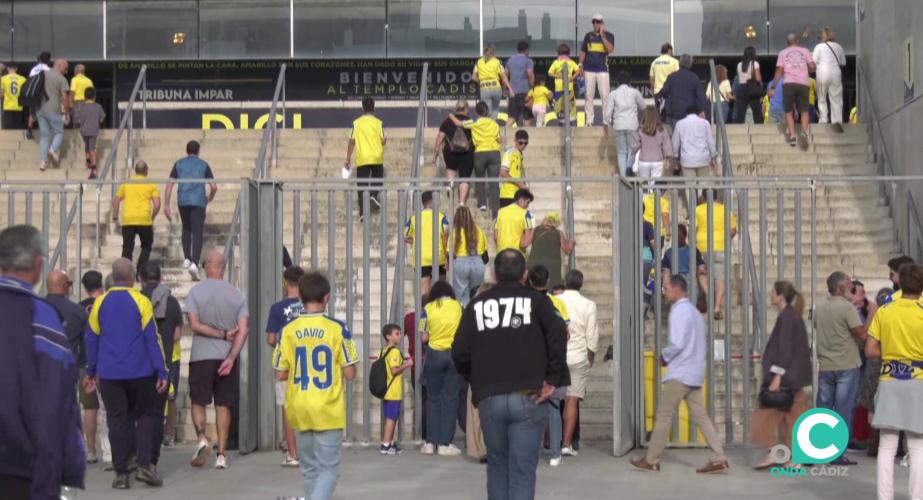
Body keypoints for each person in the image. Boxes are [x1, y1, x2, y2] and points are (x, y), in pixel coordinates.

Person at [452, 249, 569, 500]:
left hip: (490, 398)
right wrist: (553, 379)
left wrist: (476, 381)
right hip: (529, 395)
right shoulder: (538, 302)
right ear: (525, 274)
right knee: (522, 472)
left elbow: (459, 351)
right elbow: (558, 335)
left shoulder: (476, 305)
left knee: (497, 466)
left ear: (493, 274)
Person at [0, 225, 85, 498]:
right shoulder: (41, 318)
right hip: (21, 466)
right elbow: (56, 401)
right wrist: (67, 468)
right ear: (38, 265)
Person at [630, 275, 729, 474]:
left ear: (677, 289)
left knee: (664, 415)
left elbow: (676, 343)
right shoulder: (694, 312)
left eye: (666, 288)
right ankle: (719, 456)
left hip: (680, 372)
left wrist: (664, 357)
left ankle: (651, 459)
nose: (664, 291)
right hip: (694, 371)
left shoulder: (678, 311)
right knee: (701, 416)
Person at [85, 258, 168, 489]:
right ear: (133, 277)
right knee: (144, 416)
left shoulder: (99, 303)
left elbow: (91, 339)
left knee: (116, 421)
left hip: (110, 373)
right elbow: (152, 339)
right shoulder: (141, 301)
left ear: (112, 276)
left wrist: (91, 371)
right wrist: (161, 370)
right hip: (140, 371)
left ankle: (121, 474)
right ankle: (144, 466)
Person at [274, 271, 358, 500]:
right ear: (327, 297)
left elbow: (280, 374)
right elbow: (350, 373)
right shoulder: (338, 328)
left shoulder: (287, 331)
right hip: (327, 407)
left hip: (299, 406)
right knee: (328, 469)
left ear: (300, 297)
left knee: (309, 470)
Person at [185, 250, 249, 470]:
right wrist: (231, 356)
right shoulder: (236, 294)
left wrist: (219, 334)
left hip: (201, 356)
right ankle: (221, 454)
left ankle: (202, 437)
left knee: (198, 401)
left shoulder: (196, 292)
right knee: (224, 404)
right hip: (226, 357)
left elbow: (194, 325)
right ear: (222, 268)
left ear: (210, 265)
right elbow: (243, 329)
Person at [865, 264, 923, 500]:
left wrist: (892, 353)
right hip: (918, 380)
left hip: (889, 379)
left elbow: (870, 350)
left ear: (899, 282)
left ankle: (884, 497)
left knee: (887, 447)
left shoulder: (885, 310)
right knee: (917, 447)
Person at [750, 281, 813, 469]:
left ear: (780, 296)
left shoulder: (787, 317)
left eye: (773, 292)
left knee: (765, 418)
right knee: (793, 417)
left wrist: (777, 376)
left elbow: (785, 350)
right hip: (793, 377)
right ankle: (787, 455)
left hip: (787, 378)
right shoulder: (792, 316)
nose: (771, 295)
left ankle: (779, 453)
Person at [815, 271, 874, 466]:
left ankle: (819, 449)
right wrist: (872, 313)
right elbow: (862, 334)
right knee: (843, 410)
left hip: (825, 365)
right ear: (840, 288)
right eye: (850, 285)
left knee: (823, 409)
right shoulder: (846, 308)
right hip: (846, 366)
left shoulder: (819, 307)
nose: (853, 289)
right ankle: (836, 454)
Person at [138, 262, 184, 474]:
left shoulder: (136, 301)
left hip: (139, 364)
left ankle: (137, 455)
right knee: (158, 411)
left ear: (140, 278)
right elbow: (176, 335)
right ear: (161, 278)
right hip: (165, 361)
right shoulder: (173, 303)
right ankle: (154, 458)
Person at [266, 266, 306, 468]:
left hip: (284, 362)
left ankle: (293, 454)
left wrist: (280, 345)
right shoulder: (310, 307)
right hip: (306, 361)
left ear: (285, 283)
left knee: (287, 408)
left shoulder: (277, 308)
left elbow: (270, 338)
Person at [419, 281, 465, 457]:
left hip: (434, 354)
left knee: (432, 399)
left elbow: (423, 336)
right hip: (453, 354)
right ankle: (445, 443)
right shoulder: (459, 306)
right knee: (450, 399)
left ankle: (430, 442)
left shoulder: (428, 308)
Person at [557, 269, 598, 460]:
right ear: (581, 284)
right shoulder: (588, 305)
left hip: (558, 354)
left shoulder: (557, 301)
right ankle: (567, 443)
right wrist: (591, 356)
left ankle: (551, 440)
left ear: (565, 282)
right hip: (578, 355)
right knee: (572, 399)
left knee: (555, 400)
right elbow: (592, 335)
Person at [164, 140, 217, 280]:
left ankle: (187, 258)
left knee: (186, 228)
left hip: (183, 200)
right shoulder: (204, 165)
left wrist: (166, 204)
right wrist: (209, 198)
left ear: (186, 151)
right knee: (197, 231)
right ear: (198, 151)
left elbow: (169, 185)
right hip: (198, 201)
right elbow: (214, 187)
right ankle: (194, 262)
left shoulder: (179, 164)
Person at [79, 270, 110, 464]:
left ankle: (90, 450)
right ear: (101, 284)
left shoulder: (78, 308)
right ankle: (110, 453)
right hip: (105, 360)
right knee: (108, 408)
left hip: (85, 362)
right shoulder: (107, 303)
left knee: (90, 408)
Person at [449, 102, 501, 216]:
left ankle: (482, 203)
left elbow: (458, 123)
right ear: (487, 111)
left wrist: (450, 115)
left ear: (477, 112)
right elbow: (499, 139)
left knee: (480, 178)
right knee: (494, 181)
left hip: (480, 153)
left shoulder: (474, 122)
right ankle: (496, 207)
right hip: (494, 152)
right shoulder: (494, 124)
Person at [694, 189, 737, 319]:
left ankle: (708, 293)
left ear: (703, 197)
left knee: (702, 272)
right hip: (720, 245)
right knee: (720, 277)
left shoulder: (698, 209)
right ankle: (717, 306)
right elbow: (733, 230)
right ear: (717, 197)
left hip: (702, 245)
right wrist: (724, 237)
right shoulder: (725, 210)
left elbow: (694, 229)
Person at [770, 33, 817, 149]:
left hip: (789, 84)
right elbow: (812, 65)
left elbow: (780, 70)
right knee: (804, 110)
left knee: (789, 111)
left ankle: (792, 135)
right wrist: (809, 70)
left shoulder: (782, 53)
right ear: (797, 41)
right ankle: (804, 132)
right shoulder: (805, 51)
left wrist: (773, 87)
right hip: (803, 83)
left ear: (787, 42)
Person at [113, 160, 160, 275]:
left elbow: (116, 200)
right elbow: (157, 204)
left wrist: (115, 216)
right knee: (146, 246)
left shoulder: (126, 183)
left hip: (128, 220)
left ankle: (125, 273)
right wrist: (152, 217)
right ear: (146, 171)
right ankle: (140, 270)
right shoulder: (151, 184)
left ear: (135, 171)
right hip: (144, 219)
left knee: (127, 248)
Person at [346, 97, 386, 218]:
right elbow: (383, 140)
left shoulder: (356, 123)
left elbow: (352, 141)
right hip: (376, 157)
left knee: (362, 186)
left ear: (362, 107)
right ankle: (373, 195)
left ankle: (363, 212)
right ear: (373, 107)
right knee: (378, 179)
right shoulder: (378, 123)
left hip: (363, 158)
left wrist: (347, 159)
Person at [404, 191, 449, 296]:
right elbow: (445, 236)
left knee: (424, 290)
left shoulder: (414, 218)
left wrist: (414, 241)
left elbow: (405, 236)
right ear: (432, 201)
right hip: (438, 257)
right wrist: (447, 256)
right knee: (440, 287)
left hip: (421, 258)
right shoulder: (442, 217)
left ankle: (424, 310)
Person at [379, 323, 413, 456]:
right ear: (388, 336)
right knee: (391, 417)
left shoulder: (384, 350)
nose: (400, 336)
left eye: (400, 333)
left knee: (390, 416)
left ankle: (390, 442)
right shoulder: (394, 352)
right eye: (396, 334)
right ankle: (386, 444)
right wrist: (407, 364)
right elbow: (394, 370)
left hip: (385, 389)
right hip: (393, 391)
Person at [604, 71, 646, 177]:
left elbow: (608, 112)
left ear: (617, 82)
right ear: (630, 82)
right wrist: (642, 122)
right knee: (631, 152)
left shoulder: (613, 94)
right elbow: (644, 107)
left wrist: (606, 124)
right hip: (632, 125)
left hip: (618, 125)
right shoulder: (635, 92)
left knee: (622, 152)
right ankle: (629, 175)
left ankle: (623, 177)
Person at [434, 100, 474, 205]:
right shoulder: (470, 121)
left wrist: (436, 152)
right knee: (464, 178)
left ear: (456, 109)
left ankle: (450, 189)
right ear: (466, 109)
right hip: (467, 153)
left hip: (450, 152)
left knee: (451, 172)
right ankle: (461, 202)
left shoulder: (447, 121)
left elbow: (440, 138)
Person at [579, 13, 615, 127]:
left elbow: (610, 49)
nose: (595, 24)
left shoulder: (609, 35)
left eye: (598, 22)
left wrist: (602, 35)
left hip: (602, 70)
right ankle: (589, 120)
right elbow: (583, 51)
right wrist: (580, 64)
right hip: (589, 70)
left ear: (602, 23)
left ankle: (606, 121)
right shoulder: (588, 36)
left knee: (605, 96)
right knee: (588, 96)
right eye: (594, 21)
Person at [451, 205, 488, 307]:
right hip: (477, 262)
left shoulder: (454, 232)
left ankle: (464, 318)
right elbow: (484, 251)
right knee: (476, 295)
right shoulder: (479, 231)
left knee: (462, 296)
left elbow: (450, 252)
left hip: (461, 263)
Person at [37, 59, 70, 171]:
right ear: (59, 66)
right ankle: (53, 149)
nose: (66, 72)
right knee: (59, 131)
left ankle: (43, 161)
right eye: (65, 69)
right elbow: (65, 98)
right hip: (54, 110)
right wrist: (66, 112)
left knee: (45, 136)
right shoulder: (62, 79)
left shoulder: (42, 74)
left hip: (40, 110)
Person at [527, 212, 575, 288]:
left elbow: (525, 243)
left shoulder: (535, 230)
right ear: (556, 223)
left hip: (535, 266)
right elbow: (567, 250)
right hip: (552, 268)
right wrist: (571, 243)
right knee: (551, 289)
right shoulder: (559, 233)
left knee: (534, 287)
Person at [659, 54, 706, 129]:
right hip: (690, 113)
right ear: (690, 64)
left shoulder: (671, 77)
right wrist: (701, 109)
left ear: (679, 63)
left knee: (676, 137)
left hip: (675, 113)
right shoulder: (694, 78)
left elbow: (663, 92)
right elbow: (701, 96)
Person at [813, 26, 847, 130]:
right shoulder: (839, 47)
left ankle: (823, 120)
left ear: (823, 35)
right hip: (836, 72)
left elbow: (813, 61)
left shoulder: (819, 47)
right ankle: (837, 121)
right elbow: (843, 62)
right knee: (836, 98)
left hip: (822, 72)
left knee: (822, 97)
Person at [661, 224, 706, 297]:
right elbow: (701, 270)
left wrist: (665, 289)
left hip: (676, 284)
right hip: (690, 285)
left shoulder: (669, 253)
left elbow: (666, 274)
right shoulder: (693, 251)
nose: (678, 238)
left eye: (679, 235)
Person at [673, 105, 717, 179]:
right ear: (698, 113)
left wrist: (675, 157)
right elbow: (710, 141)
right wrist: (713, 156)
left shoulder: (679, 124)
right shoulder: (705, 123)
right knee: (703, 185)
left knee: (690, 186)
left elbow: (675, 143)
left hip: (687, 159)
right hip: (703, 158)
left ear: (686, 114)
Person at [473, 45, 514, 120]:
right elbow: (504, 77)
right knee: (495, 109)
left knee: (487, 110)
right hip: (496, 88)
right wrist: (510, 89)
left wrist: (480, 82)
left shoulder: (478, 62)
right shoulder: (497, 62)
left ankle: (488, 127)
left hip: (484, 88)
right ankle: (493, 126)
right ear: (493, 53)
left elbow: (473, 77)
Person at [631, 106, 673, 179]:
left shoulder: (640, 129)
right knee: (655, 185)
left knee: (644, 183)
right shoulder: (661, 129)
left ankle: (646, 191)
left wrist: (633, 151)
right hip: (658, 160)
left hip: (644, 160)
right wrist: (668, 158)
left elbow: (635, 145)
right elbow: (667, 146)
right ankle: (652, 190)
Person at [73, 87, 105, 178]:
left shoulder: (81, 107)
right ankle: (94, 168)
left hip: (83, 130)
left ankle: (87, 161)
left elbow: (78, 121)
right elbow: (102, 119)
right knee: (92, 148)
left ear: (84, 96)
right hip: (94, 130)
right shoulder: (98, 106)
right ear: (94, 97)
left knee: (87, 145)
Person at [495, 188, 535, 254]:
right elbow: (524, 243)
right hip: (517, 255)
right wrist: (533, 231)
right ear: (521, 200)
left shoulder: (500, 212)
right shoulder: (528, 215)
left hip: (501, 254)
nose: (528, 206)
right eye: (527, 203)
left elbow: (496, 236)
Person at [548, 44, 581, 122]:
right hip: (569, 86)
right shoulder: (571, 62)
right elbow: (578, 70)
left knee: (559, 103)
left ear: (558, 53)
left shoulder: (556, 62)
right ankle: (572, 116)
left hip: (559, 88)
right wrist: (572, 77)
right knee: (571, 102)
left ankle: (561, 118)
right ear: (569, 53)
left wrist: (559, 76)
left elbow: (550, 73)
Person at [505, 41, 535, 127]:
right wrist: (532, 88)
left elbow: (505, 75)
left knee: (512, 116)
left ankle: (504, 133)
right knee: (527, 117)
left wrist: (507, 88)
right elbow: (530, 75)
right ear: (526, 50)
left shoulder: (510, 60)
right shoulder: (528, 61)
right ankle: (526, 136)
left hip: (513, 93)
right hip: (525, 92)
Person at [25, 51, 52, 140]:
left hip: (33, 93)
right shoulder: (48, 69)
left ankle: (29, 130)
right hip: (43, 94)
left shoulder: (34, 69)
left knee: (32, 112)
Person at [499, 130, 529, 208]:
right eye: (520, 143)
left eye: (526, 143)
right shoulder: (510, 153)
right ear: (515, 141)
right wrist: (521, 185)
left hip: (517, 195)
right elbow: (503, 172)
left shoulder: (519, 155)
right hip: (508, 195)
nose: (523, 145)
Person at [734, 47, 764, 124]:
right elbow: (758, 78)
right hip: (752, 89)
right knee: (757, 112)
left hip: (742, 88)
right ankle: (758, 129)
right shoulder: (755, 64)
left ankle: (739, 129)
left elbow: (740, 76)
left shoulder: (739, 64)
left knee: (741, 113)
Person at [650, 43, 679, 113]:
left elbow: (652, 79)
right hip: (670, 93)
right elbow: (678, 77)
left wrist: (653, 91)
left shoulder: (654, 62)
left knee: (659, 115)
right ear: (669, 50)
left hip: (658, 93)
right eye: (672, 51)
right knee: (670, 115)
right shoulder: (675, 62)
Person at [1, 63, 27, 130]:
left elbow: (2, 94)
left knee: (9, 128)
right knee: (17, 128)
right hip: (19, 106)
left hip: (8, 106)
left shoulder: (3, 79)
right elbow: (25, 93)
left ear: (8, 68)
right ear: (16, 69)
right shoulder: (23, 79)